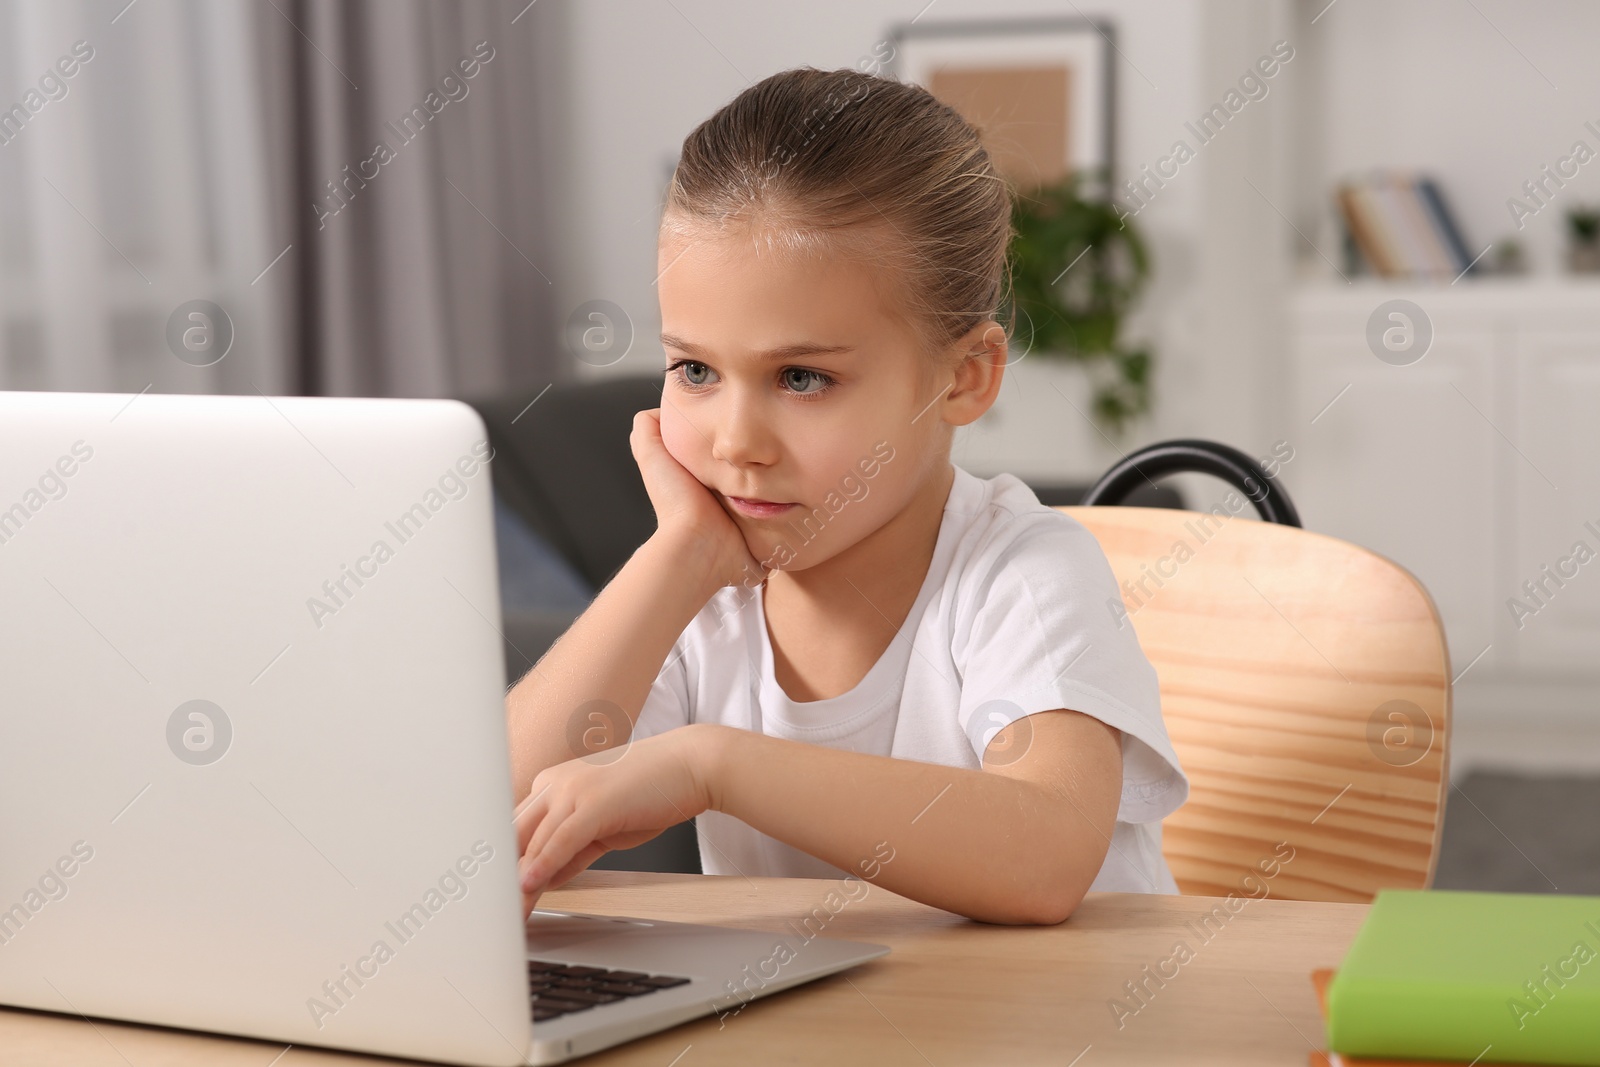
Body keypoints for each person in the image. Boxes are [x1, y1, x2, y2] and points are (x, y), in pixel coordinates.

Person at [505, 66, 1188, 925]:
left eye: (801, 377)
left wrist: (716, 764)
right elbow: (482, 832)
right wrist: (672, 562)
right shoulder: (699, 601)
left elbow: (1043, 855)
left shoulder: (1024, 574)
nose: (735, 442)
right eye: (695, 369)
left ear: (964, 378)